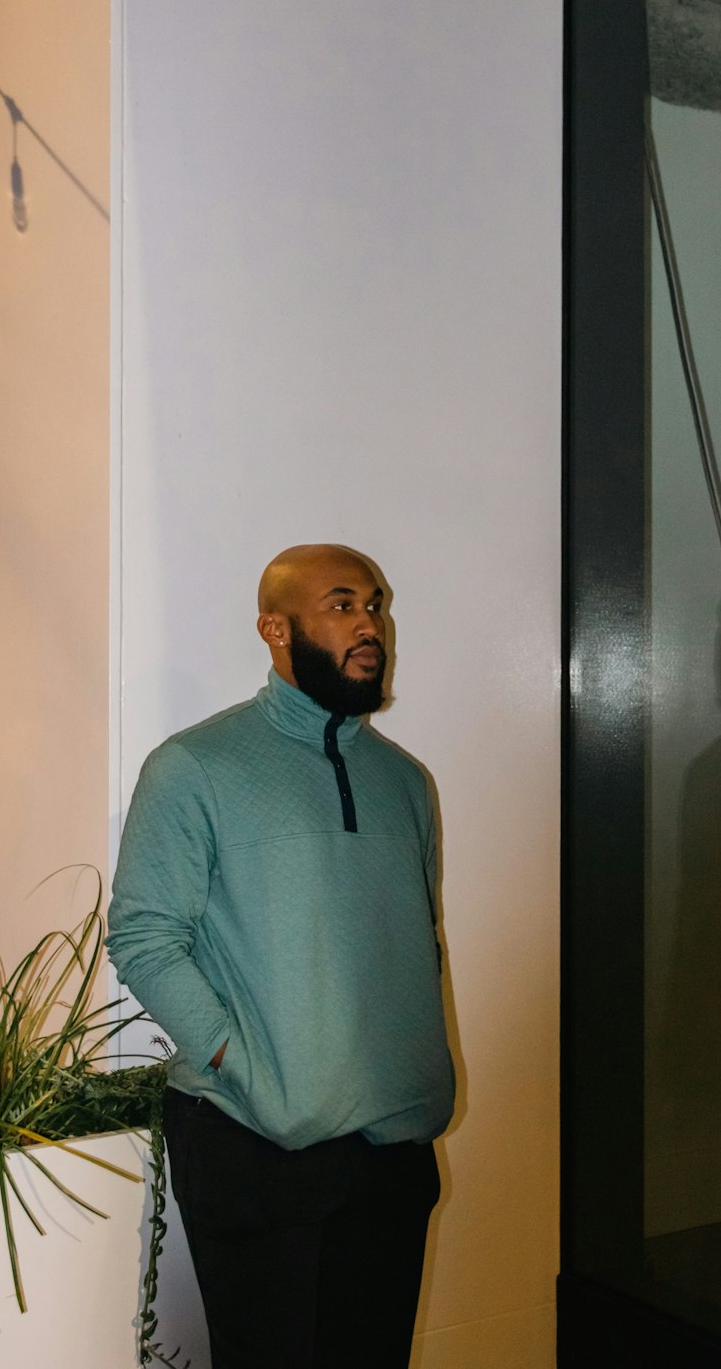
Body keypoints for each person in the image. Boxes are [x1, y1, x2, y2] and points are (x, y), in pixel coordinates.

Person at [107, 543, 454, 1369]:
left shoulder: (406, 782)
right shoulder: (195, 766)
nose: (370, 625)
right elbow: (143, 937)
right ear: (275, 628)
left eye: (375, 604)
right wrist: (243, 1062)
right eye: (342, 606)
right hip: (254, 1145)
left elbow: (422, 942)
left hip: (391, 1150)